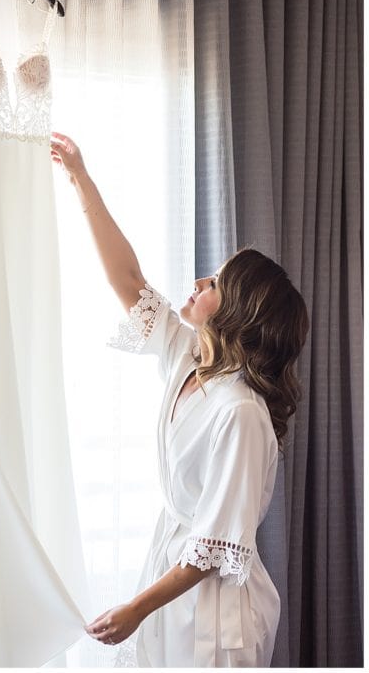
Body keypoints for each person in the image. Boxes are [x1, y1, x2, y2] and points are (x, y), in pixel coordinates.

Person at [49, 132, 308, 666]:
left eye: (213, 282)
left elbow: (214, 548)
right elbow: (129, 279)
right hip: (169, 581)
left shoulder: (241, 414)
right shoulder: (188, 358)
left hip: (218, 611)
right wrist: (80, 177)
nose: (196, 282)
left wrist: (135, 609)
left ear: (237, 310)